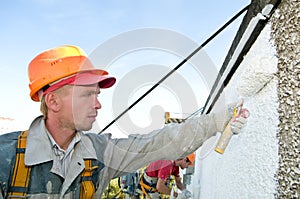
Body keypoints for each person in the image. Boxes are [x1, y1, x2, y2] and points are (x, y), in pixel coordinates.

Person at [0, 45, 249, 199]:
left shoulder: (100, 152)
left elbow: (159, 143)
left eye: (97, 94)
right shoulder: (5, 159)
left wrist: (217, 121)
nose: (97, 104)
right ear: (53, 101)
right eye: (87, 94)